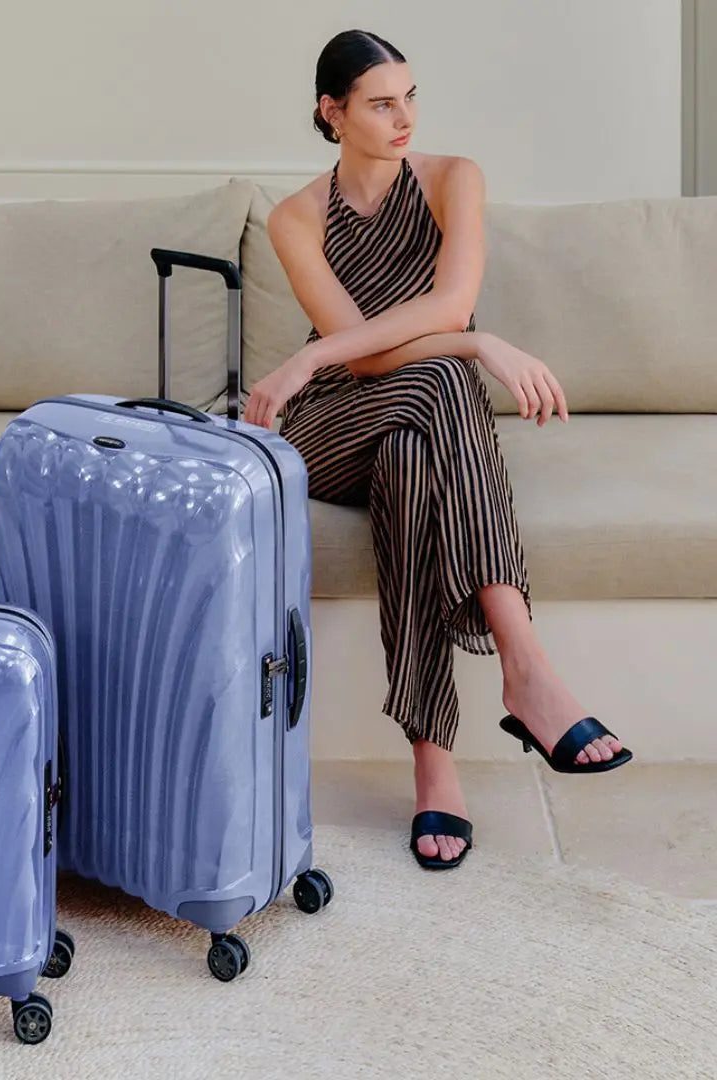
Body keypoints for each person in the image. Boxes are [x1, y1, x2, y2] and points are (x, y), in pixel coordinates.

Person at [244, 29, 632, 871]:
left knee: (415, 453)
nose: (405, 116)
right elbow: (371, 356)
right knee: (446, 382)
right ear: (331, 112)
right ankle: (526, 669)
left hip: (411, 423)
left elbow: (452, 304)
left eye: (412, 96)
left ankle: (434, 764)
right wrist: (342, 355)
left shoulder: (456, 179)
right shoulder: (295, 217)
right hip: (333, 418)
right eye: (382, 103)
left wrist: (467, 335)